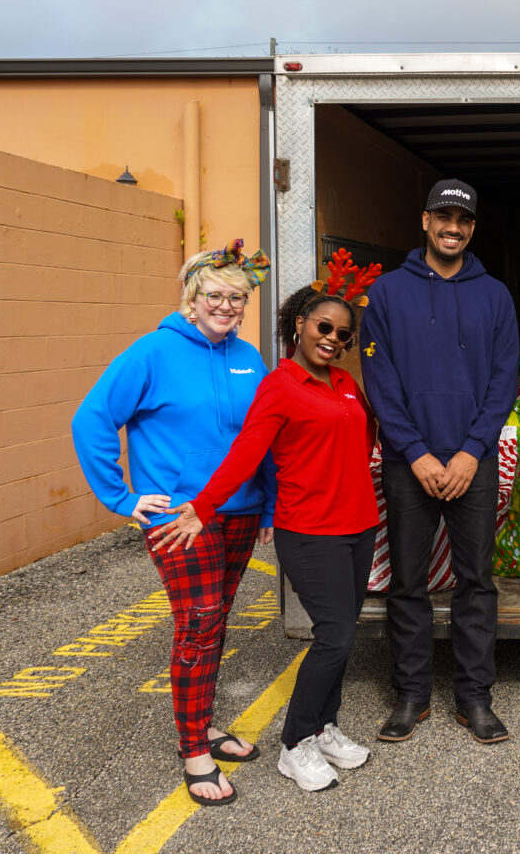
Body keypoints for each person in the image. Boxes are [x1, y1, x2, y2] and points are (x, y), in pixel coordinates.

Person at [152, 267, 382, 793]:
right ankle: (295, 743)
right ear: (300, 325)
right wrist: (203, 507)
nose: (333, 340)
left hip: (359, 525)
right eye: (324, 328)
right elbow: (245, 454)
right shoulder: (279, 386)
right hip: (310, 530)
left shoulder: (346, 383)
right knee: (334, 637)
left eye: (344, 335)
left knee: (343, 639)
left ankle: (325, 727)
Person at [71, 240, 276, 807]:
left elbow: (261, 435)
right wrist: (120, 496)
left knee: (215, 620)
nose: (228, 305)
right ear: (192, 298)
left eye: (238, 297)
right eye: (216, 294)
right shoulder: (152, 353)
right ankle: (194, 749)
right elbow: (91, 419)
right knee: (199, 622)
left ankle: (204, 723)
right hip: (179, 518)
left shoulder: (248, 356)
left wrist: (267, 504)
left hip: (237, 514)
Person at [360, 179, 519, 744]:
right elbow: (379, 381)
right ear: (424, 221)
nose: (453, 227)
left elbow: (504, 383)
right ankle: (411, 696)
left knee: (476, 583)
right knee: (408, 583)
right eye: (443, 217)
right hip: (411, 464)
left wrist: (473, 452)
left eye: (463, 220)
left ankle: (475, 698)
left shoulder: (494, 295)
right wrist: (417, 453)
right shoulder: (387, 293)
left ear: (472, 229)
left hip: (471, 465)